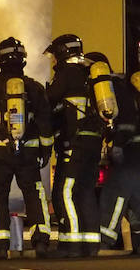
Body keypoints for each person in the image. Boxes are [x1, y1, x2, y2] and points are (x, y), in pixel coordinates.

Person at [0, 37, 55, 259]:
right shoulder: (34, 87)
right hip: (28, 151)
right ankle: (41, 242)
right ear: (23, 61)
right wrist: (45, 151)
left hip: (0, 151)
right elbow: (46, 122)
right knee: (34, 193)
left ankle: (0, 244)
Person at [86, 53, 140, 254]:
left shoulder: (113, 89)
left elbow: (126, 120)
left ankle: (104, 240)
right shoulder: (123, 84)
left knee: (114, 193)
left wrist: (117, 144)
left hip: (130, 148)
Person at [44, 34, 104, 257]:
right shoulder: (88, 73)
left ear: (62, 53)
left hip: (74, 143)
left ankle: (72, 243)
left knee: (65, 192)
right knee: (85, 191)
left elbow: (48, 99)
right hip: (92, 142)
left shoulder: (66, 73)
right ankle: (91, 244)